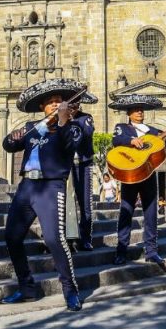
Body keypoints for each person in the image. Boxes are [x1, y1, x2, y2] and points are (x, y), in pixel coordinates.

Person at [0, 79, 89, 312]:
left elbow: (69, 145)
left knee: (54, 239)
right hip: (27, 186)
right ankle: (26, 287)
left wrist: (62, 120)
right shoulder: (32, 127)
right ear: (42, 107)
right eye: (50, 103)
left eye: (58, 102)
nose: (54, 105)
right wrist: (13, 137)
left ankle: (70, 291)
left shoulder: (73, 126)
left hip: (51, 187)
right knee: (12, 236)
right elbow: (8, 146)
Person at [108, 94, 166, 274]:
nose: (139, 112)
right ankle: (121, 250)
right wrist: (131, 141)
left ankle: (151, 250)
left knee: (151, 213)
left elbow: (162, 147)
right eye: (135, 109)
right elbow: (116, 140)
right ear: (129, 113)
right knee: (126, 211)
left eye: (141, 109)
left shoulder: (153, 131)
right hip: (130, 174)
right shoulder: (122, 128)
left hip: (148, 174)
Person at [71, 94, 98, 252]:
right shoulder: (58, 119)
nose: (74, 108)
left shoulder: (85, 118)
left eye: (76, 105)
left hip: (83, 164)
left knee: (85, 204)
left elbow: (87, 132)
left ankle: (85, 238)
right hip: (65, 165)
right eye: (71, 104)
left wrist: (71, 121)